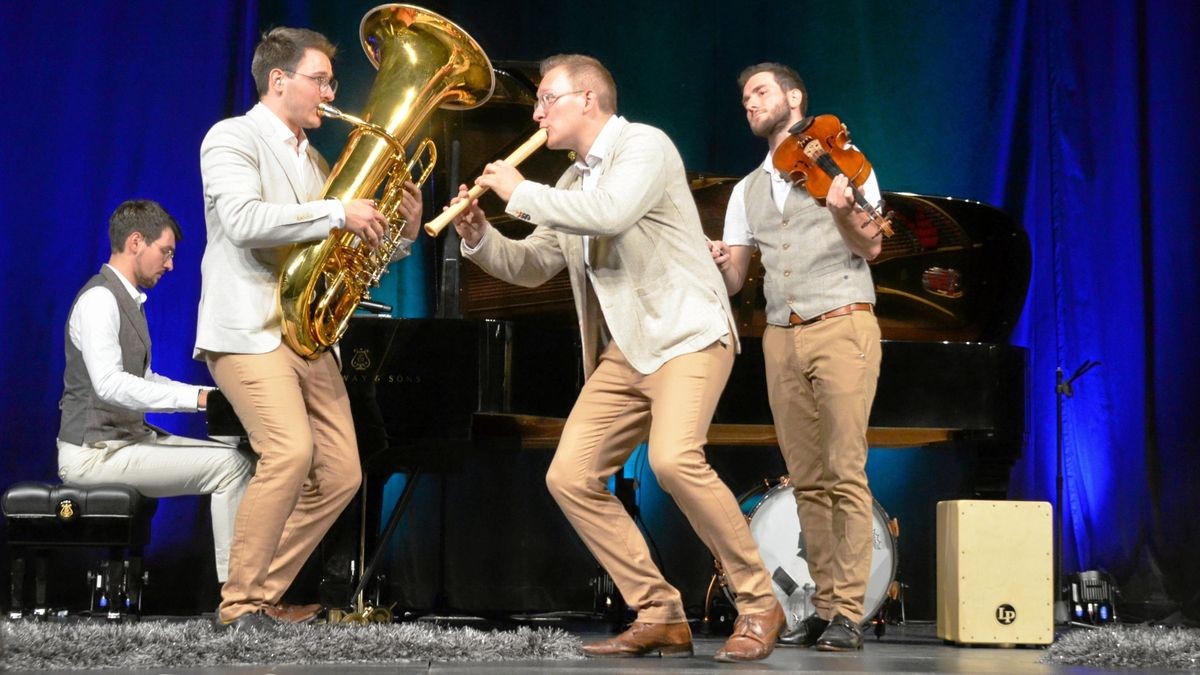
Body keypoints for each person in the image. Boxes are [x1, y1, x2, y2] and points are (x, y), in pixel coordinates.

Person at [448, 53, 785, 662]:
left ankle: (759, 604)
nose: (537, 112)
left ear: (588, 100)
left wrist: (521, 191)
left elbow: (611, 213)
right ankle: (659, 612)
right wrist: (479, 235)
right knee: (569, 476)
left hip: (686, 335)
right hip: (625, 353)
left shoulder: (645, 147)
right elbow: (531, 267)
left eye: (547, 98)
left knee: (675, 461)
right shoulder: (572, 184)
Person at [195, 27, 422, 631]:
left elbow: (351, 250)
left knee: (344, 471)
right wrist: (337, 210)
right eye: (319, 79)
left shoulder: (317, 160)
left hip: (307, 336)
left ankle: (259, 597)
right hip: (247, 330)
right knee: (290, 451)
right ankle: (239, 603)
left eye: (330, 81)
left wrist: (400, 231)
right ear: (278, 81)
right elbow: (243, 222)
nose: (330, 91)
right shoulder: (231, 137)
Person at [708, 63, 885, 652]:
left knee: (845, 472)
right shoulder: (746, 190)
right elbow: (736, 278)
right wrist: (721, 261)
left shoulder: (846, 163)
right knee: (807, 479)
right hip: (781, 334)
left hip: (841, 323)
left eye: (760, 91)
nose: (749, 102)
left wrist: (840, 208)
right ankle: (823, 604)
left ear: (794, 97)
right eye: (744, 97)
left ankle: (848, 613)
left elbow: (872, 244)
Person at [57, 199, 253, 587]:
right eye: (165, 252)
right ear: (135, 242)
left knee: (238, 454)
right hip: (92, 456)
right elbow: (110, 385)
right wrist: (198, 401)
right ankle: (239, 595)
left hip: (124, 443)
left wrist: (210, 393)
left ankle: (252, 585)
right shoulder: (99, 301)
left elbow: (146, 377)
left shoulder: (126, 300)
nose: (170, 265)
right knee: (232, 468)